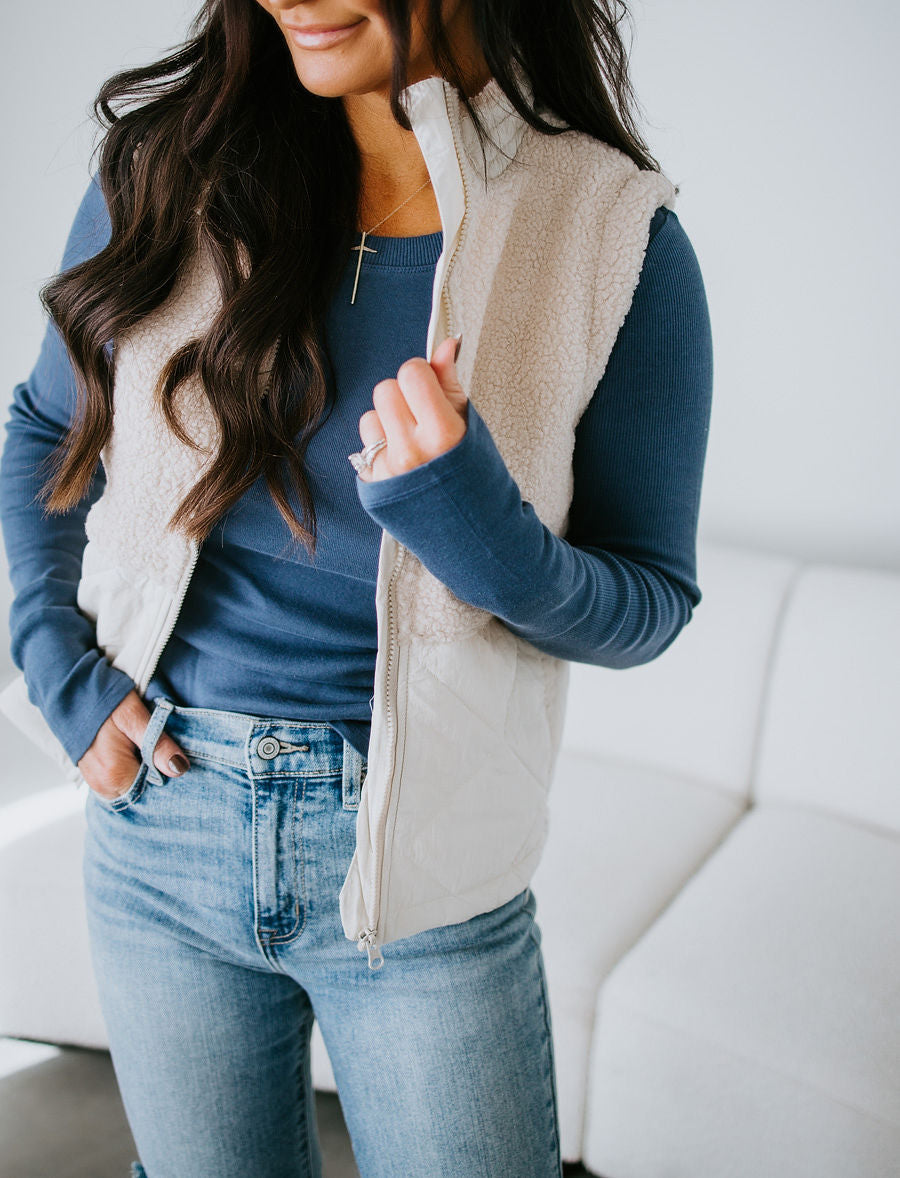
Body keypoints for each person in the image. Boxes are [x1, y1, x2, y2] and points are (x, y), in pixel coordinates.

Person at [0, 1, 713, 1174]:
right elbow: (45, 426)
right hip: (158, 825)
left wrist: (470, 520)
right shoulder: (175, 166)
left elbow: (649, 603)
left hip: (428, 873)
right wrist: (57, 669)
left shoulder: (612, 233)